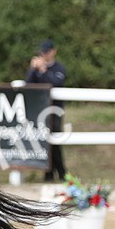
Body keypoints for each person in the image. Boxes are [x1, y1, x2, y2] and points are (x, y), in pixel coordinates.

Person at [26, 39, 68, 182]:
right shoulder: (36, 69)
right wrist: (33, 70)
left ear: (53, 51)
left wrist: (43, 70)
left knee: (55, 141)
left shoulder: (59, 68)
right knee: (46, 142)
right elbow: (28, 84)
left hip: (55, 110)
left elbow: (55, 83)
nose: (43, 55)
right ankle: (53, 173)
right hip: (40, 110)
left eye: (46, 52)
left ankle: (59, 172)